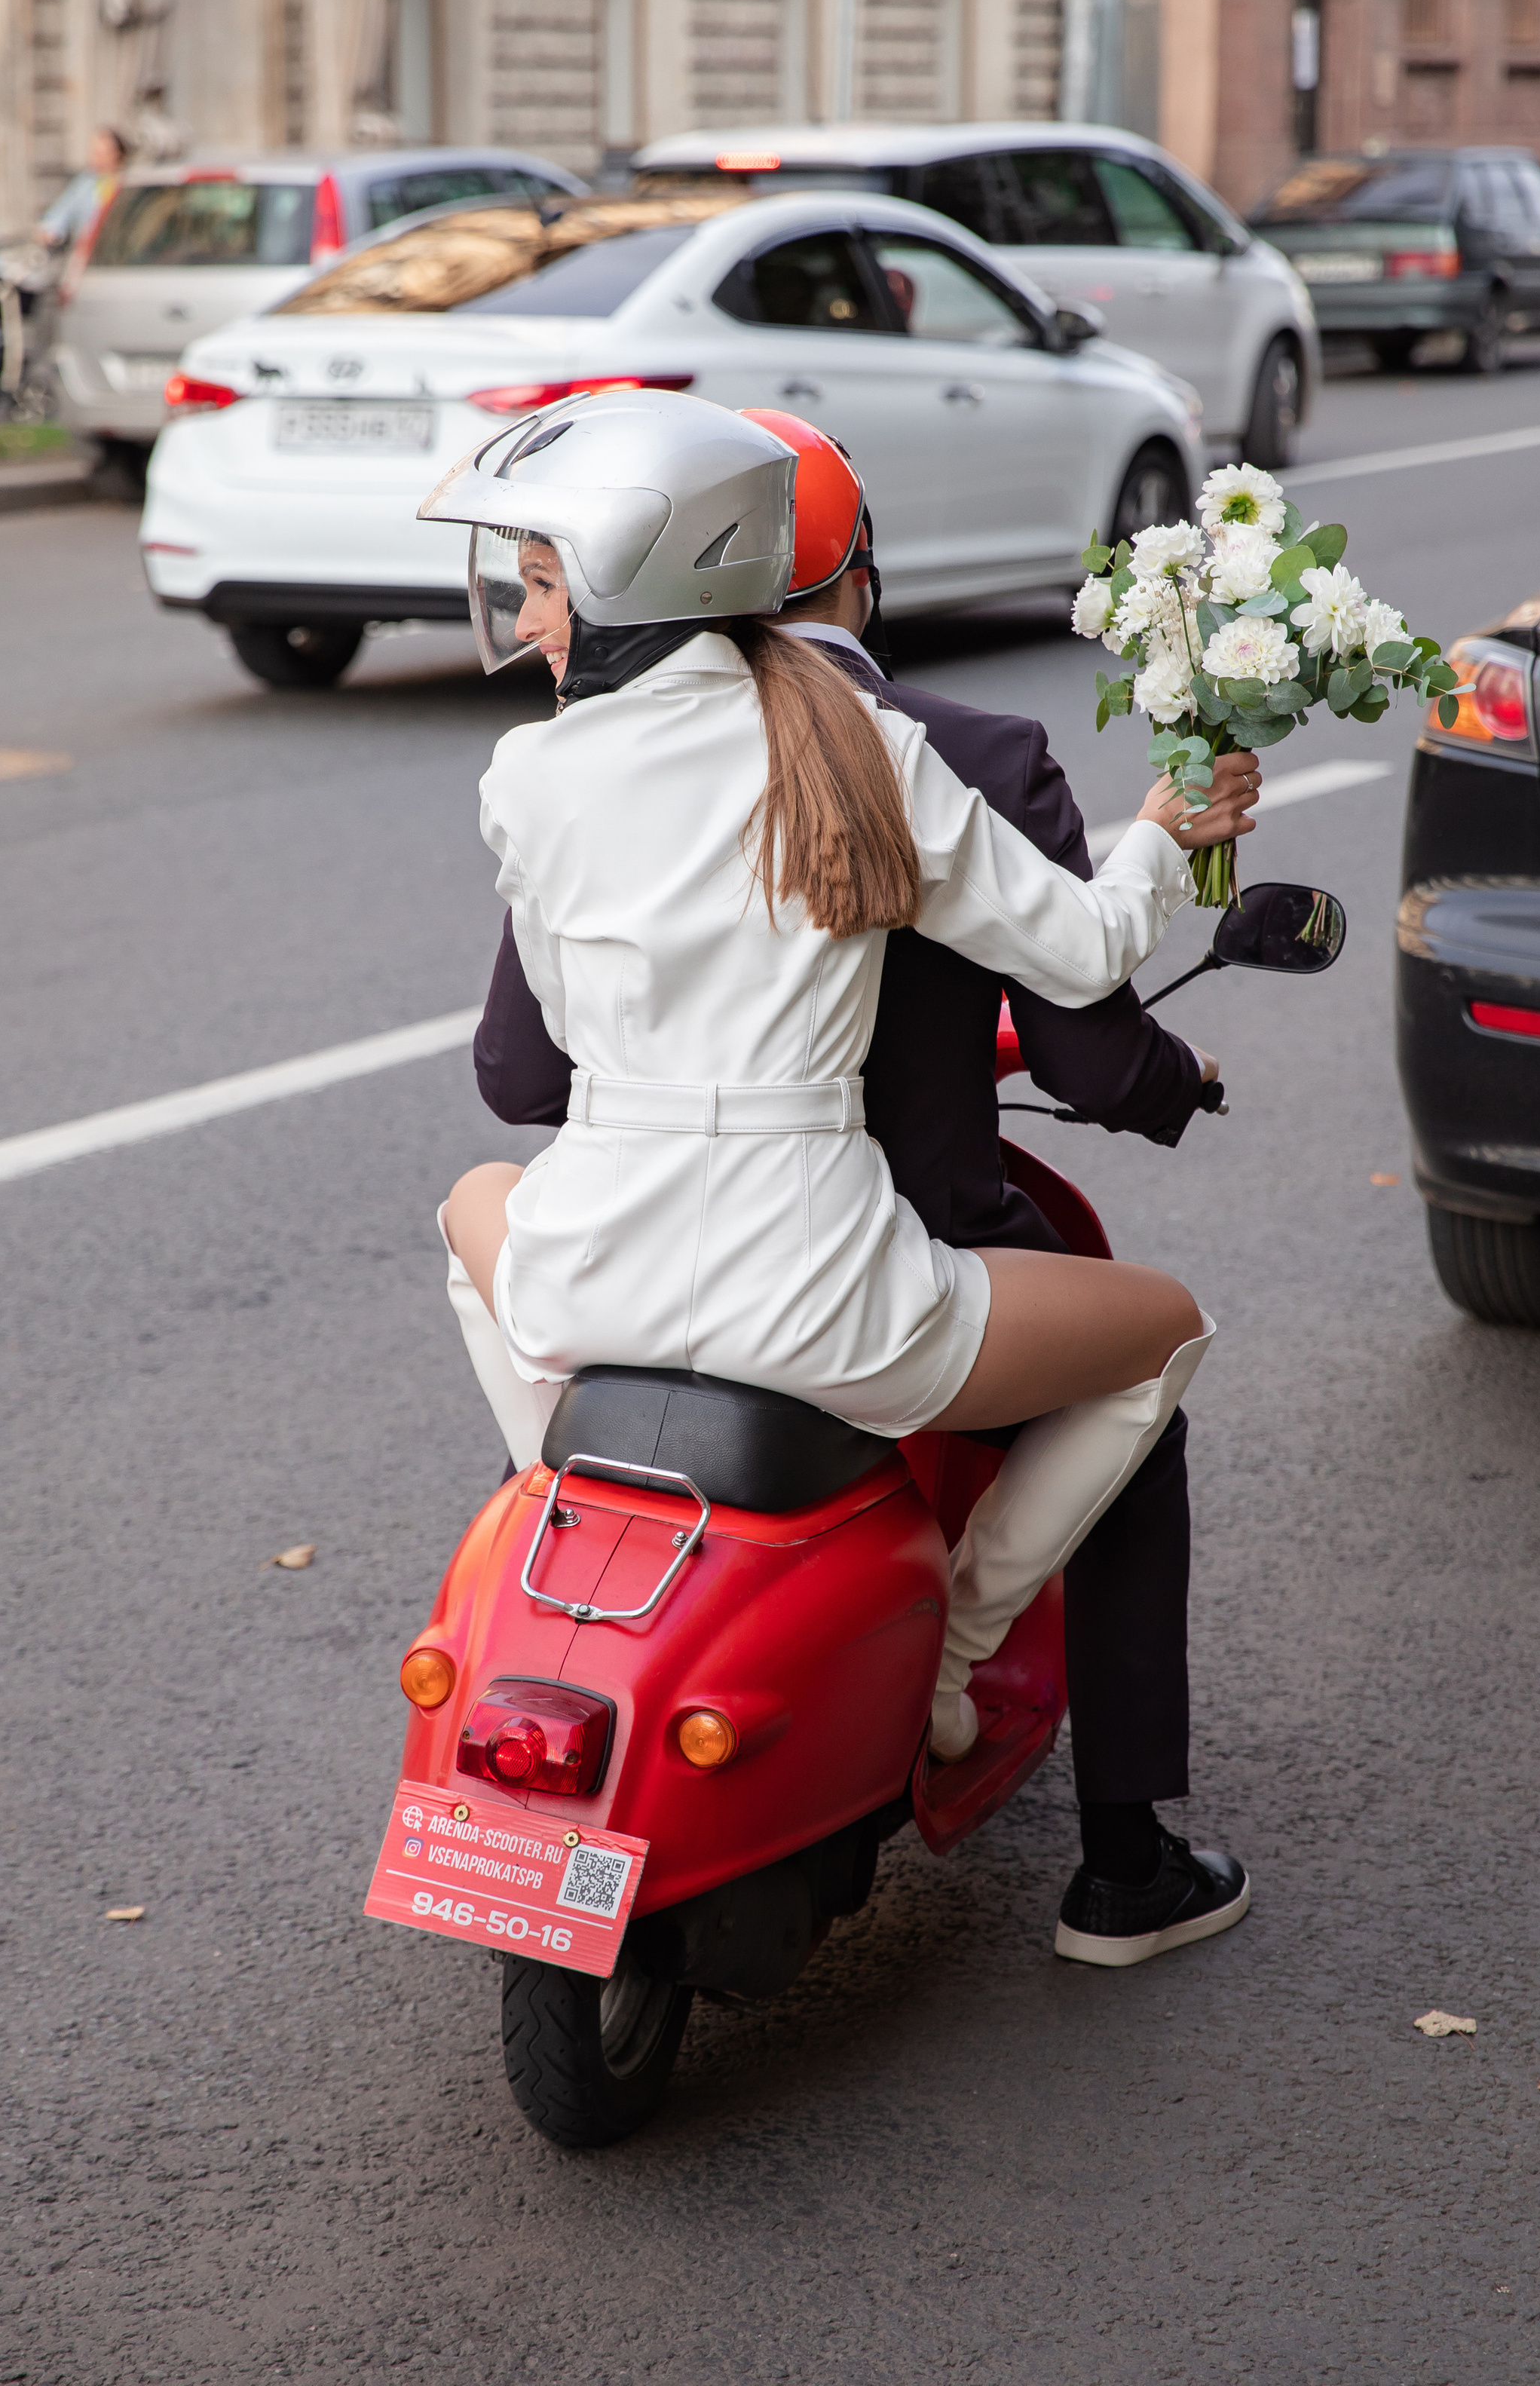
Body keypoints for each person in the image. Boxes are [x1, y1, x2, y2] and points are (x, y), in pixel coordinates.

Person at [424, 394, 1257, 1934]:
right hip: (820, 1296)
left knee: (469, 1212)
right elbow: (1077, 951)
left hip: (587, 1280)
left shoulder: (529, 777)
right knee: (1162, 1330)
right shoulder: (865, 749)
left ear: (633, 576)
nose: (521, 610)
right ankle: (956, 1653)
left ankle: (565, 1477)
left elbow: (537, 1055)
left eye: (538, 576)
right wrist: (1153, 830)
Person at [38, 124, 129, 250]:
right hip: (88, 255)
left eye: (100, 154)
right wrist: (49, 231)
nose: (94, 158)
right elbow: (61, 213)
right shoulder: (85, 184)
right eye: (94, 152)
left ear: (116, 155)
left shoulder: (128, 183)